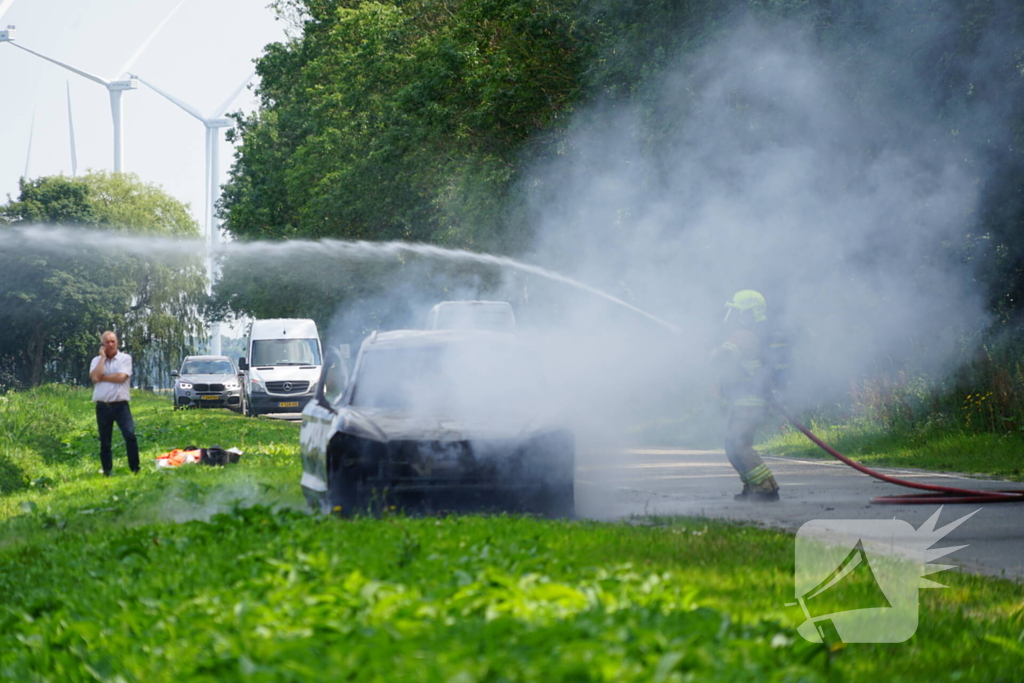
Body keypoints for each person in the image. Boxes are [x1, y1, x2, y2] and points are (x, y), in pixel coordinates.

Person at [711, 290, 787, 502]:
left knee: (739, 444)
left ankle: (764, 488)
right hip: (746, 400)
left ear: (747, 313)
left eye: (736, 311)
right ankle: (756, 486)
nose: (731, 316)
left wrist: (710, 349)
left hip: (748, 401)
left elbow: (723, 357)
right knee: (733, 446)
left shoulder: (744, 335)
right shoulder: (755, 333)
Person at [89, 331, 140, 476]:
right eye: (107, 342)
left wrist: (102, 377)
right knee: (105, 441)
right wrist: (103, 359)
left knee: (130, 435)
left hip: (120, 405)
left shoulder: (125, 358)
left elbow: (121, 377)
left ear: (117, 342)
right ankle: (107, 470)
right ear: (102, 345)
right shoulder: (96, 360)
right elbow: (94, 377)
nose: (110, 345)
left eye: (113, 341)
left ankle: (135, 468)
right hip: (103, 406)